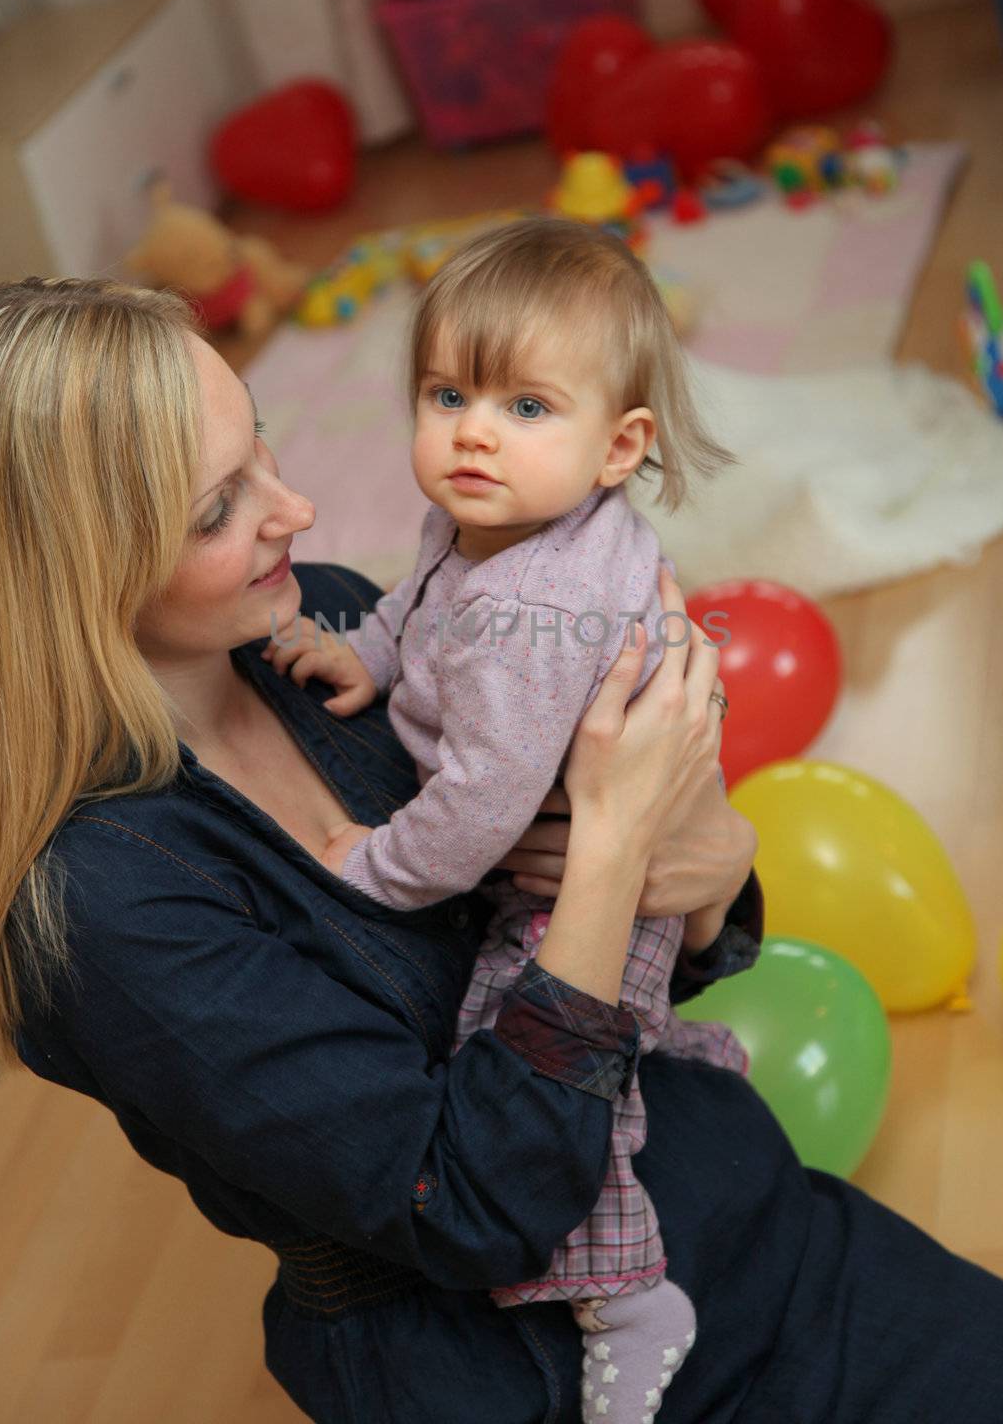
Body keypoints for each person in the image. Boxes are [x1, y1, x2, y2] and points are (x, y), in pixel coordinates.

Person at [0, 277, 1003, 1424]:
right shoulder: (102, 908)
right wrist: (617, 843)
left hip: (748, 1217)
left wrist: (712, 870)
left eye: (260, 446)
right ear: (68, 578)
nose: (299, 509)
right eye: (218, 510)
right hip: (537, 1367)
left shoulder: (319, 622)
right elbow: (475, 1201)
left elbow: (641, 950)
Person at [261, 217, 742, 1424]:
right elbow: (421, 610)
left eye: (527, 407)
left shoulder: (536, 611)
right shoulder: (485, 522)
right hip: (589, 833)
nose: (473, 430)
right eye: (446, 392)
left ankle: (629, 1298)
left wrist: (373, 864)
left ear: (617, 446)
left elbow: (475, 809)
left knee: (520, 1050)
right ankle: (668, 1040)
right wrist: (364, 654)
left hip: (591, 872)